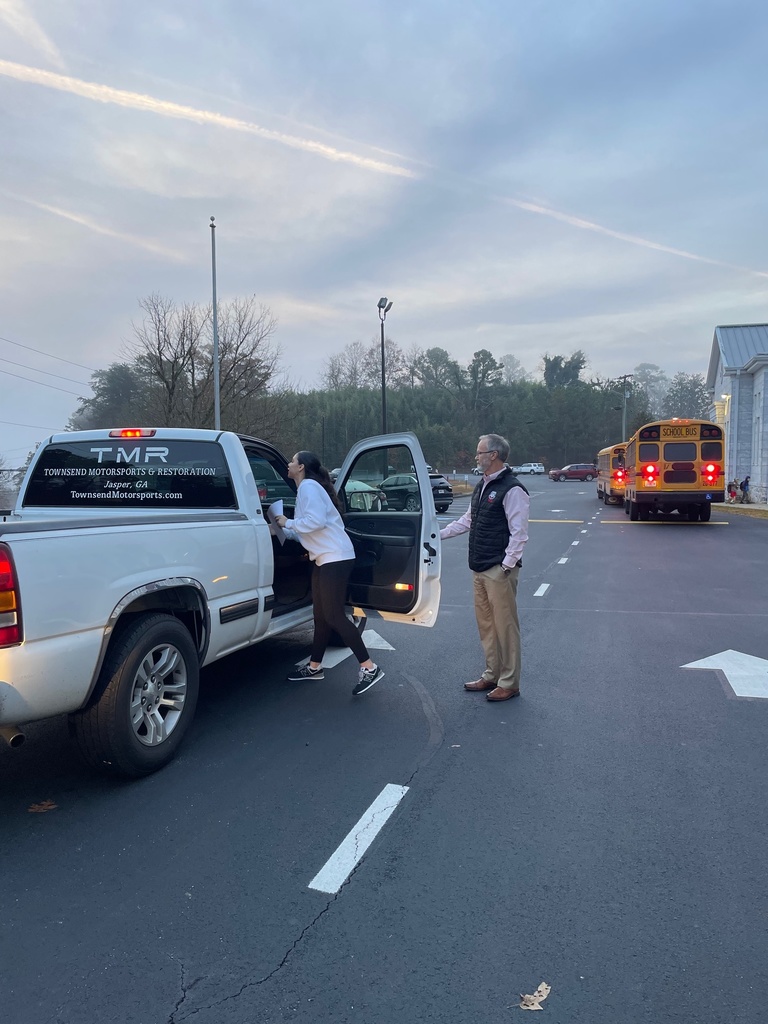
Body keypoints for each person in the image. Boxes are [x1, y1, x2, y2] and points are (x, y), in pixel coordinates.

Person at [273, 451, 384, 695]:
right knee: (321, 616)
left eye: (292, 461)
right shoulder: (309, 488)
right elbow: (308, 530)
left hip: (335, 558)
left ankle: (369, 667)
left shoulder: (309, 487)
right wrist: (282, 530)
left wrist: (286, 522)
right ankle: (314, 667)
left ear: (300, 467)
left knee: (333, 616)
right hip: (325, 558)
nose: (288, 465)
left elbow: (315, 522)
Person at [440, 433, 530, 702]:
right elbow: (468, 521)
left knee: (505, 627)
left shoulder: (512, 489)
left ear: (494, 455)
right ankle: (492, 674)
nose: (476, 456)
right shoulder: (482, 486)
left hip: (497, 570)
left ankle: (509, 682)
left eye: (479, 452)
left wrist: (506, 566)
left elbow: (519, 534)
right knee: (487, 626)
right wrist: (436, 534)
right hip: (479, 567)